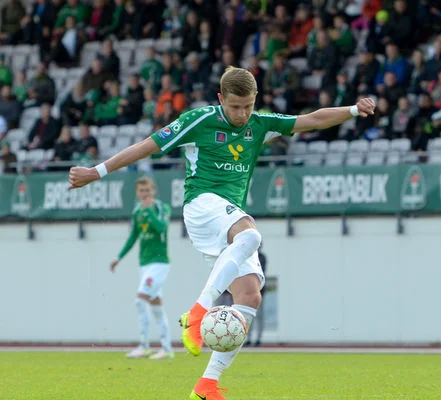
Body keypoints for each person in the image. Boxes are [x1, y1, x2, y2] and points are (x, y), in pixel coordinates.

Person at [69, 67, 376, 400]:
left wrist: (352, 111)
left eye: (247, 106)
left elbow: (312, 119)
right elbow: (147, 146)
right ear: (221, 100)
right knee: (251, 236)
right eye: (234, 107)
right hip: (202, 206)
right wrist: (96, 172)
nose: (242, 114)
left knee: (250, 295)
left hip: (226, 218)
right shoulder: (199, 120)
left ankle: (207, 385)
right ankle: (199, 312)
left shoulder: (260, 124)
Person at [111, 176, 174, 360]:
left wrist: (150, 212)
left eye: (148, 190)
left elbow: (162, 228)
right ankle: (167, 348)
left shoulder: (161, 208)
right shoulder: (137, 211)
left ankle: (144, 345)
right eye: (141, 191)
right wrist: (118, 257)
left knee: (140, 300)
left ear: (153, 191)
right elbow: (133, 237)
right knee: (156, 306)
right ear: (137, 193)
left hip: (159, 263)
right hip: (144, 264)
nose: (145, 194)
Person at [244, 243, 268, 347]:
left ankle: (258, 338)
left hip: (259, 291)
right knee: (249, 316)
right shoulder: (248, 257)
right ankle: (248, 338)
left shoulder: (261, 257)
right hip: (248, 291)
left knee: (259, 316)